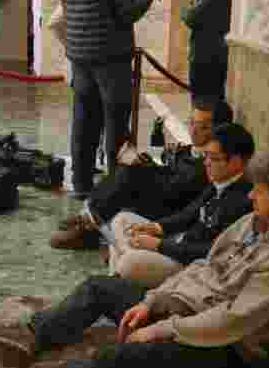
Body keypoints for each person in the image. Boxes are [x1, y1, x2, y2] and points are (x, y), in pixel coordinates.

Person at [0, 147, 269, 368]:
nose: (251, 194)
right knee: (99, 288)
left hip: (227, 346)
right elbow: (202, 267)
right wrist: (153, 301)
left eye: (260, 190)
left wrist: (162, 329)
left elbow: (232, 321)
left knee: (116, 361)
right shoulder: (254, 223)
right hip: (190, 309)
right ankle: (30, 335)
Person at [61, 0, 159, 198]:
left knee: (84, 121)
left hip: (80, 54)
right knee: (116, 123)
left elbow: (71, 7)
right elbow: (127, 12)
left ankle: (81, 184)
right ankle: (115, 188)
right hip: (111, 56)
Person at [51, 99, 233, 250]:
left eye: (202, 127)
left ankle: (89, 225)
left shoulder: (212, 163)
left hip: (171, 208)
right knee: (127, 169)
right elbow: (172, 174)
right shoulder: (191, 151)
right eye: (191, 122)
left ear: (218, 129)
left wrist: (148, 171)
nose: (193, 130)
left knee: (130, 175)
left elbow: (179, 189)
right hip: (166, 194)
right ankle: (89, 220)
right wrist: (149, 164)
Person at [98, 122, 255, 287]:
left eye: (213, 158)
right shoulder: (220, 180)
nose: (206, 163)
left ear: (236, 162)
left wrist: (159, 245)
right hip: (178, 243)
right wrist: (156, 227)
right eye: (206, 156)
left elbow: (212, 251)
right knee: (121, 220)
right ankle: (119, 281)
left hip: (192, 265)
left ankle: (118, 277)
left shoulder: (243, 201)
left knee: (127, 260)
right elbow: (189, 213)